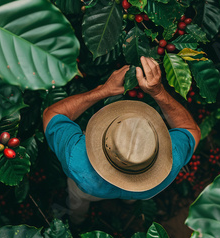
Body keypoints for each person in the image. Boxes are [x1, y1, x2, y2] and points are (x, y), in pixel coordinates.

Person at [43, 56, 201, 224]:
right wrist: (158, 91)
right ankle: (129, 200)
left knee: (78, 200)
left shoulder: (76, 158)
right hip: (144, 190)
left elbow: (51, 115)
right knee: (133, 195)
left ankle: (77, 221)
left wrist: (104, 90)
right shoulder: (170, 162)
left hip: (90, 189)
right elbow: (190, 129)